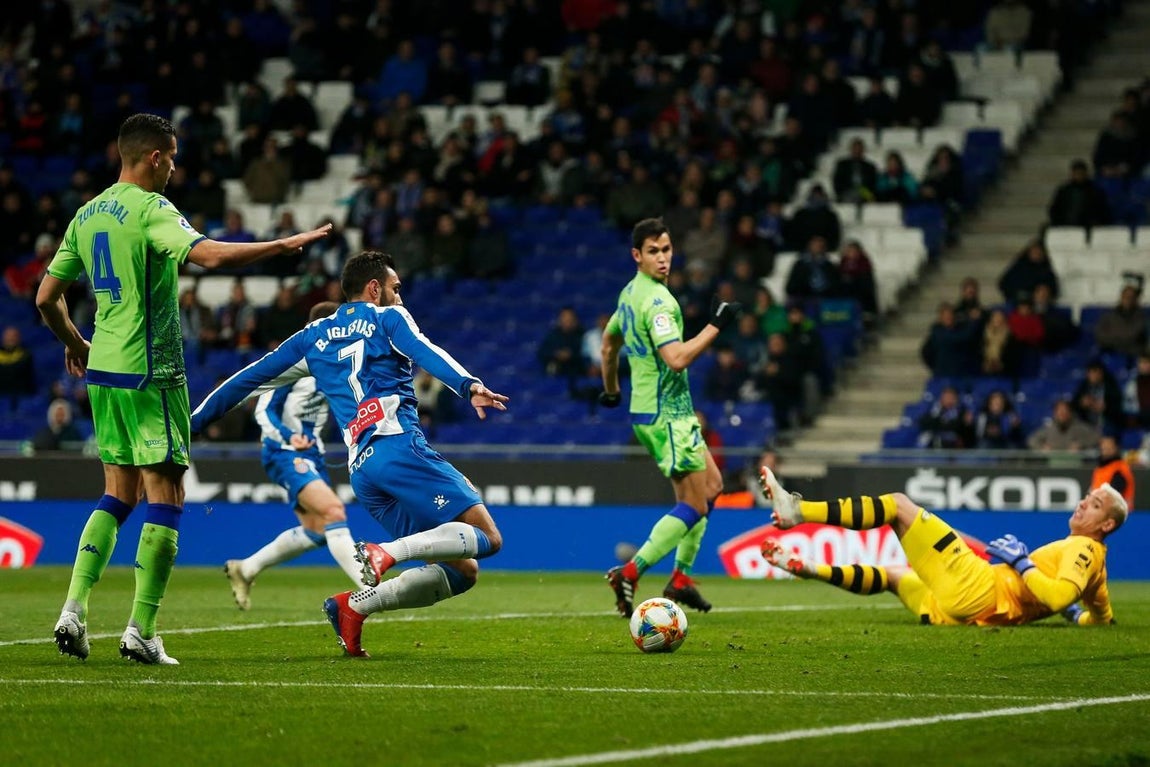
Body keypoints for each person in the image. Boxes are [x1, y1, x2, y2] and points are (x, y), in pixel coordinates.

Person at [35, 113, 331, 666]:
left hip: (104, 372)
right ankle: (140, 630)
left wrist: (77, 345)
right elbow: (210, 256)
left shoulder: (88, 213)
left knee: (117, 493)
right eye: (170, 158)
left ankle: (73, 611)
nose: (173, 168)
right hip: (154, 371)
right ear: (153, 158)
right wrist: (280, 246)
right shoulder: (151, 208)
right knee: (165, 498)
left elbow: (46, 298)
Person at [190, 251, 508, 658]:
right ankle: (384, 553)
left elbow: (247, 380)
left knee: (462, 570)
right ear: (374, 289)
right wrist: (469, 385)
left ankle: (351, 608)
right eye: (396, 288)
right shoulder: (388, 318)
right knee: (489, 537)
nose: (400, 297)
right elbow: (424, 350)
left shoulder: (311, 337)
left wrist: (194, 423)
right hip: (399, 447)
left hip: (363, 471)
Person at [759, 467, 1125, 626]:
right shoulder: (1097, 567)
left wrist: (1021, 562)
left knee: (899, 506)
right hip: (971, 613)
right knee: (892, 576)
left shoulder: (1084, 549)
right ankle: (809, 568)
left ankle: (798, 510)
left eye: (1094, 504)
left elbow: (1059, 595)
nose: (1082, 503)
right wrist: (1079, 616)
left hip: (979, 586)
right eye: (1088, 497)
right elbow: (1101, 617)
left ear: (1107, 524)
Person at [597, 217, 742, 617]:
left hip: (650, 411)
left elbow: (609, 345)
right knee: (695, 504)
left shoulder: (630, 295)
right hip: (668, 415)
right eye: (653, 252)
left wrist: (611, 390)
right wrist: (717, 325)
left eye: (667, 250)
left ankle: (680, 578)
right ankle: (629, 572)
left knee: (712, 486)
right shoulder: (659, 302)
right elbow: (676, 359)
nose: (662, 259)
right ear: (637, 255)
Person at [223, 301, 364, 610]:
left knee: (316, 532)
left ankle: (245, 569)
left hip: (313, 454)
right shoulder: (294, 361)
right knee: (334, 511)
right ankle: (370, 588)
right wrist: (289, 436)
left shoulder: (334, 366)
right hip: (284, 452)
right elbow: (263, 409)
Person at [1091, 434, 1135, 507]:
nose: (1104, 450)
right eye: (1103, 448)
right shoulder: (1101, 467)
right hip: (1100, 510)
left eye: (1108, 448)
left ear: (1115, 448)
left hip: (1116, 512)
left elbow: (1114, 495)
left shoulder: (1119, 469)